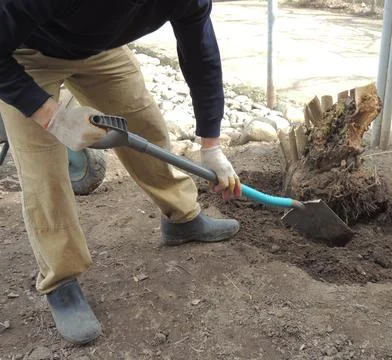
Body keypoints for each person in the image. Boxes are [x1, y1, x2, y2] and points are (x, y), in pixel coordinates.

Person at [0, 0, 242, 345]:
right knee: (43, 168)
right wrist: (49, 114)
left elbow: (201, 53)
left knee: (146, 123)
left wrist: (211, 145)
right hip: (27, 51)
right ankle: (61, 279)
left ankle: (181, 218)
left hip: (102, 51)